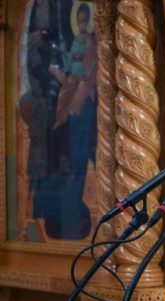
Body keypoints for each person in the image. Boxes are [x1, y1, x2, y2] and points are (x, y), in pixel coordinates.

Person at [46, 2, 98, 239]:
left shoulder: (92, 44)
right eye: (81, 21)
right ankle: (67, 217)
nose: (83, 25)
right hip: (73, 94)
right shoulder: (76, 42)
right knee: (69, 164)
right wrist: (63, 75)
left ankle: (73, 217)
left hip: (85, 102)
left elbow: (91, 73)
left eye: (87, 20)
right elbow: (69, 68)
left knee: (78, 161)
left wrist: (79, 82)